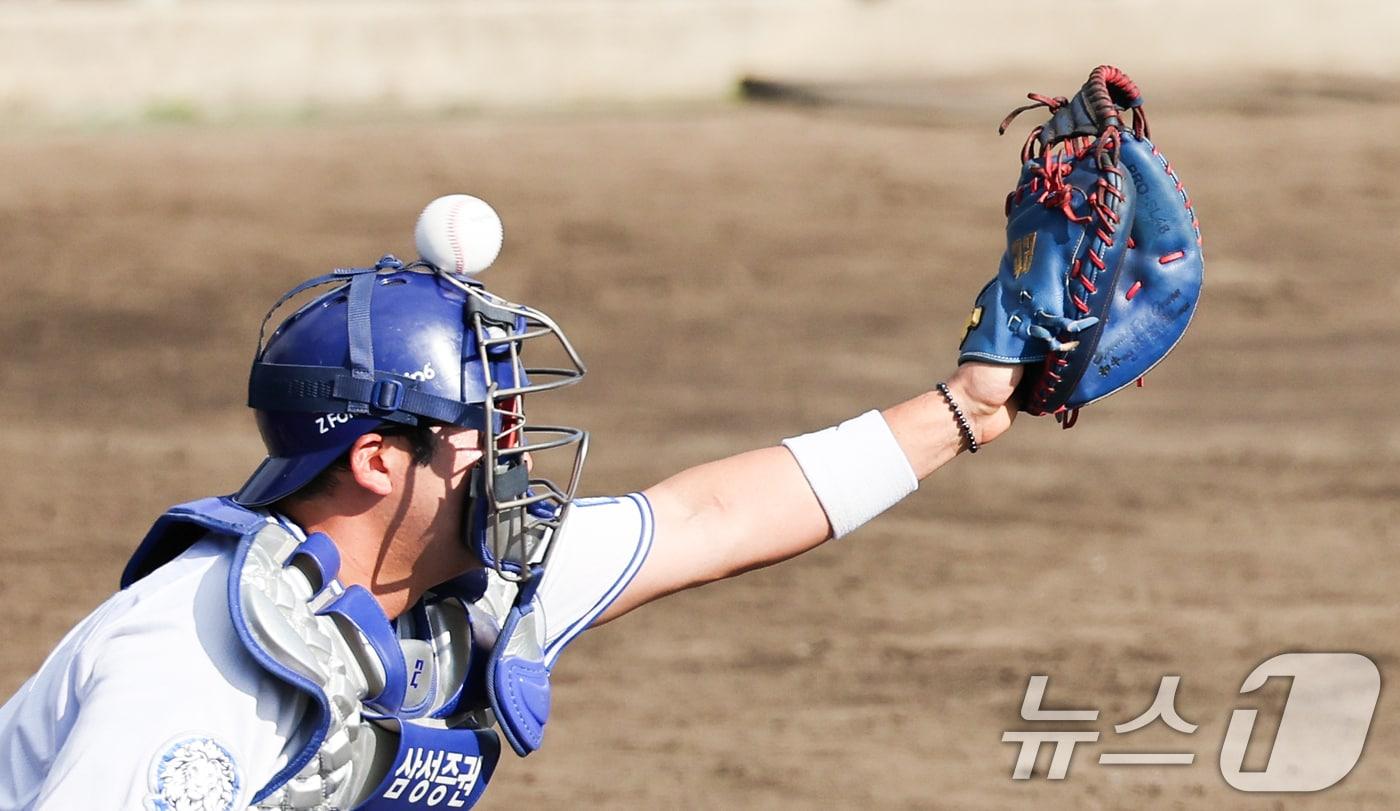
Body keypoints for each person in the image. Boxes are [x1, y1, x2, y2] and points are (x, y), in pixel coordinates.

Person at [0, 206, 1021, 810]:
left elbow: (708, 518)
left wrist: (965, 408)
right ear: (376, 461)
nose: (515, 457)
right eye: (485, 427)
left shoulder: (460, 576)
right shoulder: (196, 664)